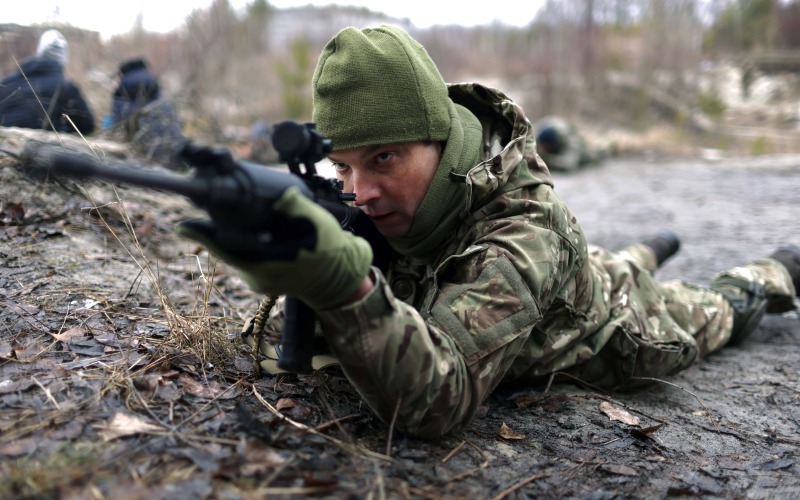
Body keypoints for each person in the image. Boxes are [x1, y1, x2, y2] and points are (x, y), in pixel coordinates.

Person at [176, 25, 799, 438]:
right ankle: (647, 248)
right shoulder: (371, 199)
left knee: (713, 304)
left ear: (441, 143)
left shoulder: (527, 231)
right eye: (343, 166)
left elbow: (438, 397)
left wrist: (342, 287)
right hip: (560, 281)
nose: (359, 192)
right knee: (624, 256)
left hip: (615, 327)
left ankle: (774, 270)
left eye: (384, 159)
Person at [0, 29, 95, 134]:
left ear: (40, 51)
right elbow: (87, 126)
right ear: (64, 57)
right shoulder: (66, 87)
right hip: (39, 148)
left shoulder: (6, 82)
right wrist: (63, 129)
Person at [110, 57, 186, 166]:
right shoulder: (159, 92)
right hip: (175, 158)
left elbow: (117, 131)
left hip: (141, 163)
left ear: (122, 74)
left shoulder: (120, 95)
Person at [533, 115, 602, 171]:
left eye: (546, 147)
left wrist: (547, 160)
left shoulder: (568, 140)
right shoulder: (538, 134)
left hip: (583, 149)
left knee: (592, 155)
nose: (544, 149)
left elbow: (569, 164)